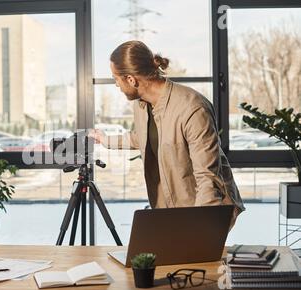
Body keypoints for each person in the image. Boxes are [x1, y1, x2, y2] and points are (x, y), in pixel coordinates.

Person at [91, 41, 245, 229]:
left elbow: (208, 177)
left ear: (131, 79)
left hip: (205, 207)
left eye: (116, 79)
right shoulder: (142, 104)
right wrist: (105, 140)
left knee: (199, 258)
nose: (116, 85)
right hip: (173, 208)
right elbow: (143, 137)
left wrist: (203, 231)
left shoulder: (192, 108)